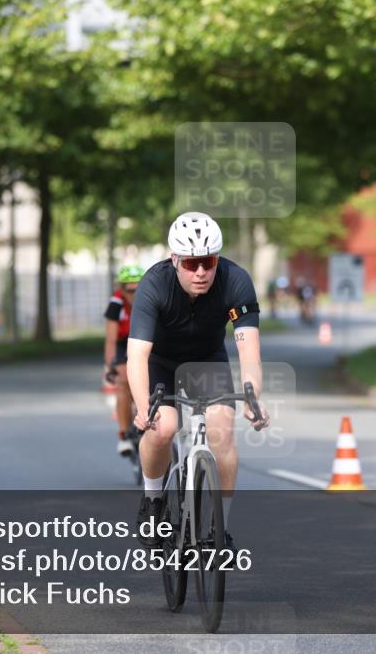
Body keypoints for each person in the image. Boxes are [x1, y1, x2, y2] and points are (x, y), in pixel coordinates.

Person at [127, 212, 270, 552]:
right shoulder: (154, 285)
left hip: (206, 360)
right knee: (162, 427)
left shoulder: (236, 281)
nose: (202, 272)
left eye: (208, 262)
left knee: (222, 430)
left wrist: (253, 399)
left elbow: (249, 351)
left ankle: (218, 533)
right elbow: (137, 357)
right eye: (192, 264)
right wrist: (144, 405)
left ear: (218, 258)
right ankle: (152, 502)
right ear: (175, 259)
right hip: (161, 362)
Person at [104, 264, 145, 456]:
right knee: (123, 381)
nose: (134, 294)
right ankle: (123, 435)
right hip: (123, 343)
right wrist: (110, 365)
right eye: (129, 290)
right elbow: (111, 339)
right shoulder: (116, 304)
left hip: (145, 342)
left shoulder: (150, 299)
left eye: (138, 289)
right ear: (122, 289)